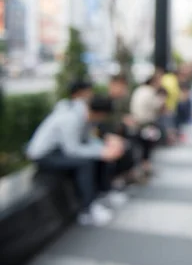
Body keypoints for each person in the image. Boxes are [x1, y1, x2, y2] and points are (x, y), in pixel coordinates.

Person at [26, 95, 125, 226]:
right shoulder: (71, 118)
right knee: (86, 163)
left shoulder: (84, 115)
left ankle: (104, 192)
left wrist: (106, 148)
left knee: (101, 156)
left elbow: (86, 140)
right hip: (44, 155)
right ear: (99, 113)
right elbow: (72, 149)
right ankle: (87, 210)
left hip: (59, 150)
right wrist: (102, 152)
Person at [130, 74, 166, 177]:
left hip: (137, 122)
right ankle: (145, 167)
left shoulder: (139, 90)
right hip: (146, 123)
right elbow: (158, 106)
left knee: (143, 146)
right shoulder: (150, 92)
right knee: (148, 145)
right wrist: (162, 98)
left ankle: (144, 167)